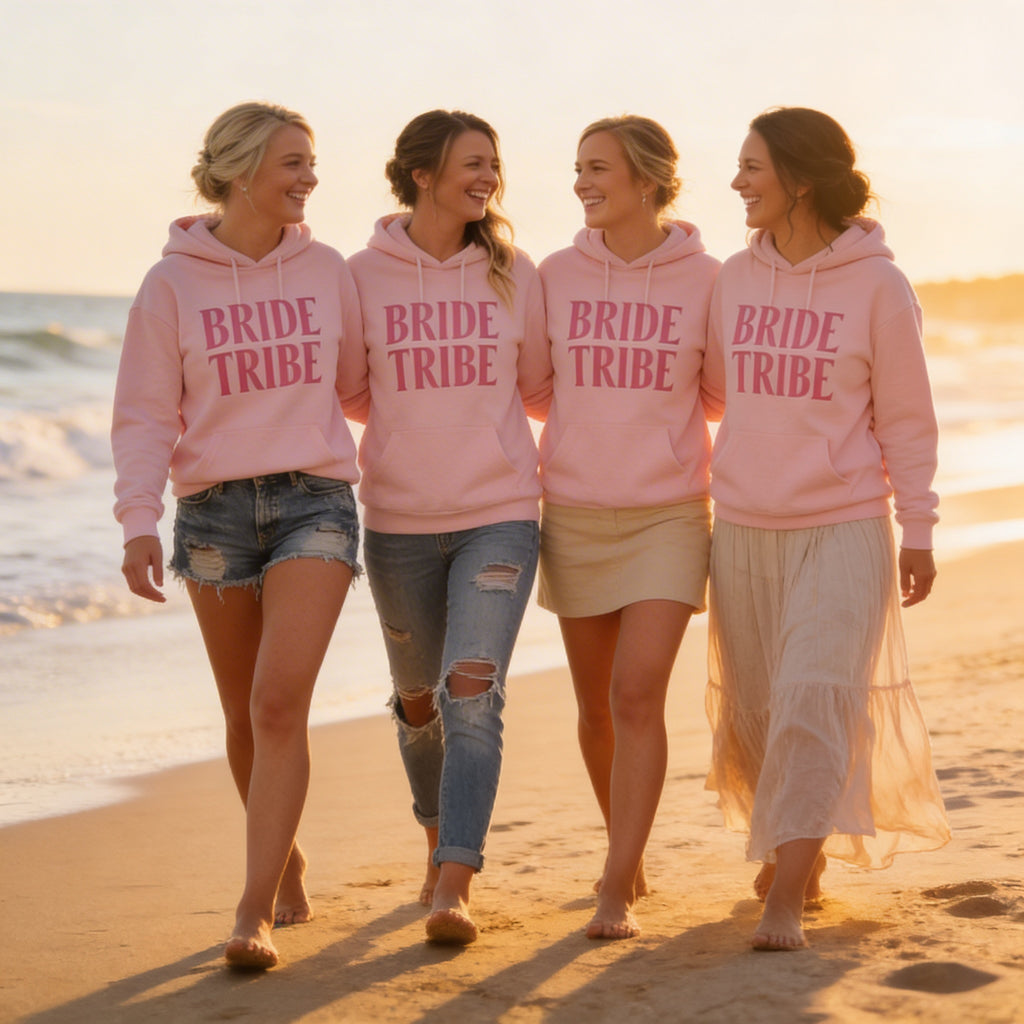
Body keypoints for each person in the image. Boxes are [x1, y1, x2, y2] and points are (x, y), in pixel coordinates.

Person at [112, 102, 365, 970]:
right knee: (242, 714)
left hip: (315, 503)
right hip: (215, 512)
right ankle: (284, 861)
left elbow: (361, 382)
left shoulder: (329, 268)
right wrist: (138, 521)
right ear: (240, 171)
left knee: (277, 701)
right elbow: (145, 415)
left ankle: (251, 912)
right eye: (294, 162)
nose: (310, 178)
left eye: (312, 160)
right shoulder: (171, 283)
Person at [702, 106, 951, 951]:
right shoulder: (733, 279)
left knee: (814, 698)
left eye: (752, 167)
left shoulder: (879, 284)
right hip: (741, 526)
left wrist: (918, 526)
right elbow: (700, 391)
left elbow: (908, 420)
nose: (737, 181)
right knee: (767, 710)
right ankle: (796, 856)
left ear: (800, 178)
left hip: (843, 526)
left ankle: (783, 902)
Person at [346, 109, 550, 946]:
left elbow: (534, 384)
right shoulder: (361, 274)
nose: (488, 177)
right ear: (421, 173)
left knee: (472, 689)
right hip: (396, 521)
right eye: (472, 162)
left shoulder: (515, 273)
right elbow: (354, 389)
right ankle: (434, 841)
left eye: (494, 164)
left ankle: (456, 879)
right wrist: (414, 436)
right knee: (420, 701)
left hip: (499, 515)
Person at [536, 116, 720, 939]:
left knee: (637, 691)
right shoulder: (554, 274)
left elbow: (714, 392)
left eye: (598, 168)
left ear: (647, 179)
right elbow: (540, 388)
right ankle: (629, 848)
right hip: (574, 510)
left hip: (671, 513)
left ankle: (614, 882)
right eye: (578, 168)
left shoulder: (708, 278)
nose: (582, 182)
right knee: (595, 707)